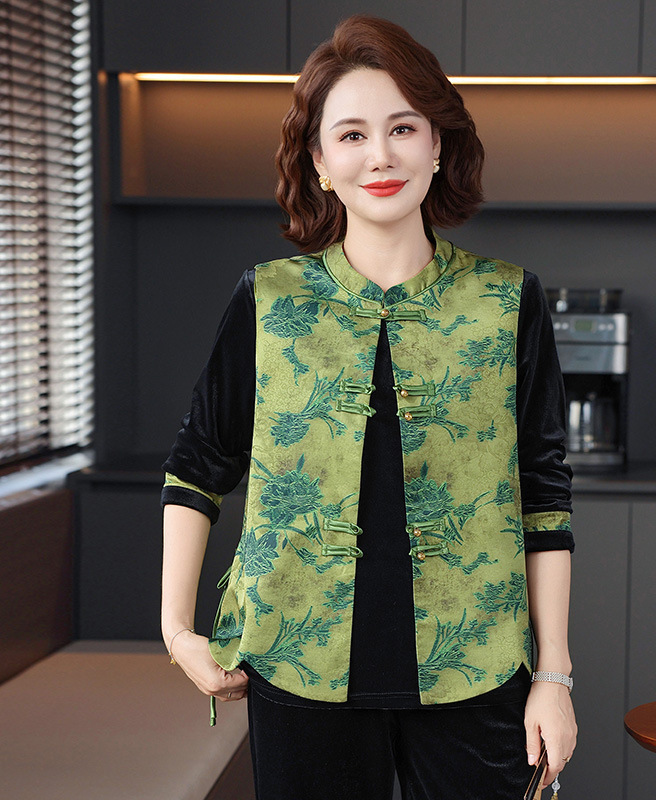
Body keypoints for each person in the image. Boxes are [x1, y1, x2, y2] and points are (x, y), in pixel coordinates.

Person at [161, 14, 576, 800]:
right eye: (351, 134)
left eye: (403, 128)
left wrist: (553, 676)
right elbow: (198, 465)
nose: (380, 155)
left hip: (478, 667)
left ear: (438, 144)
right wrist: (177, 630)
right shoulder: (270, 300)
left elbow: (545, 497)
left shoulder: (506, 300)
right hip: (296, 664)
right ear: (319, 161)